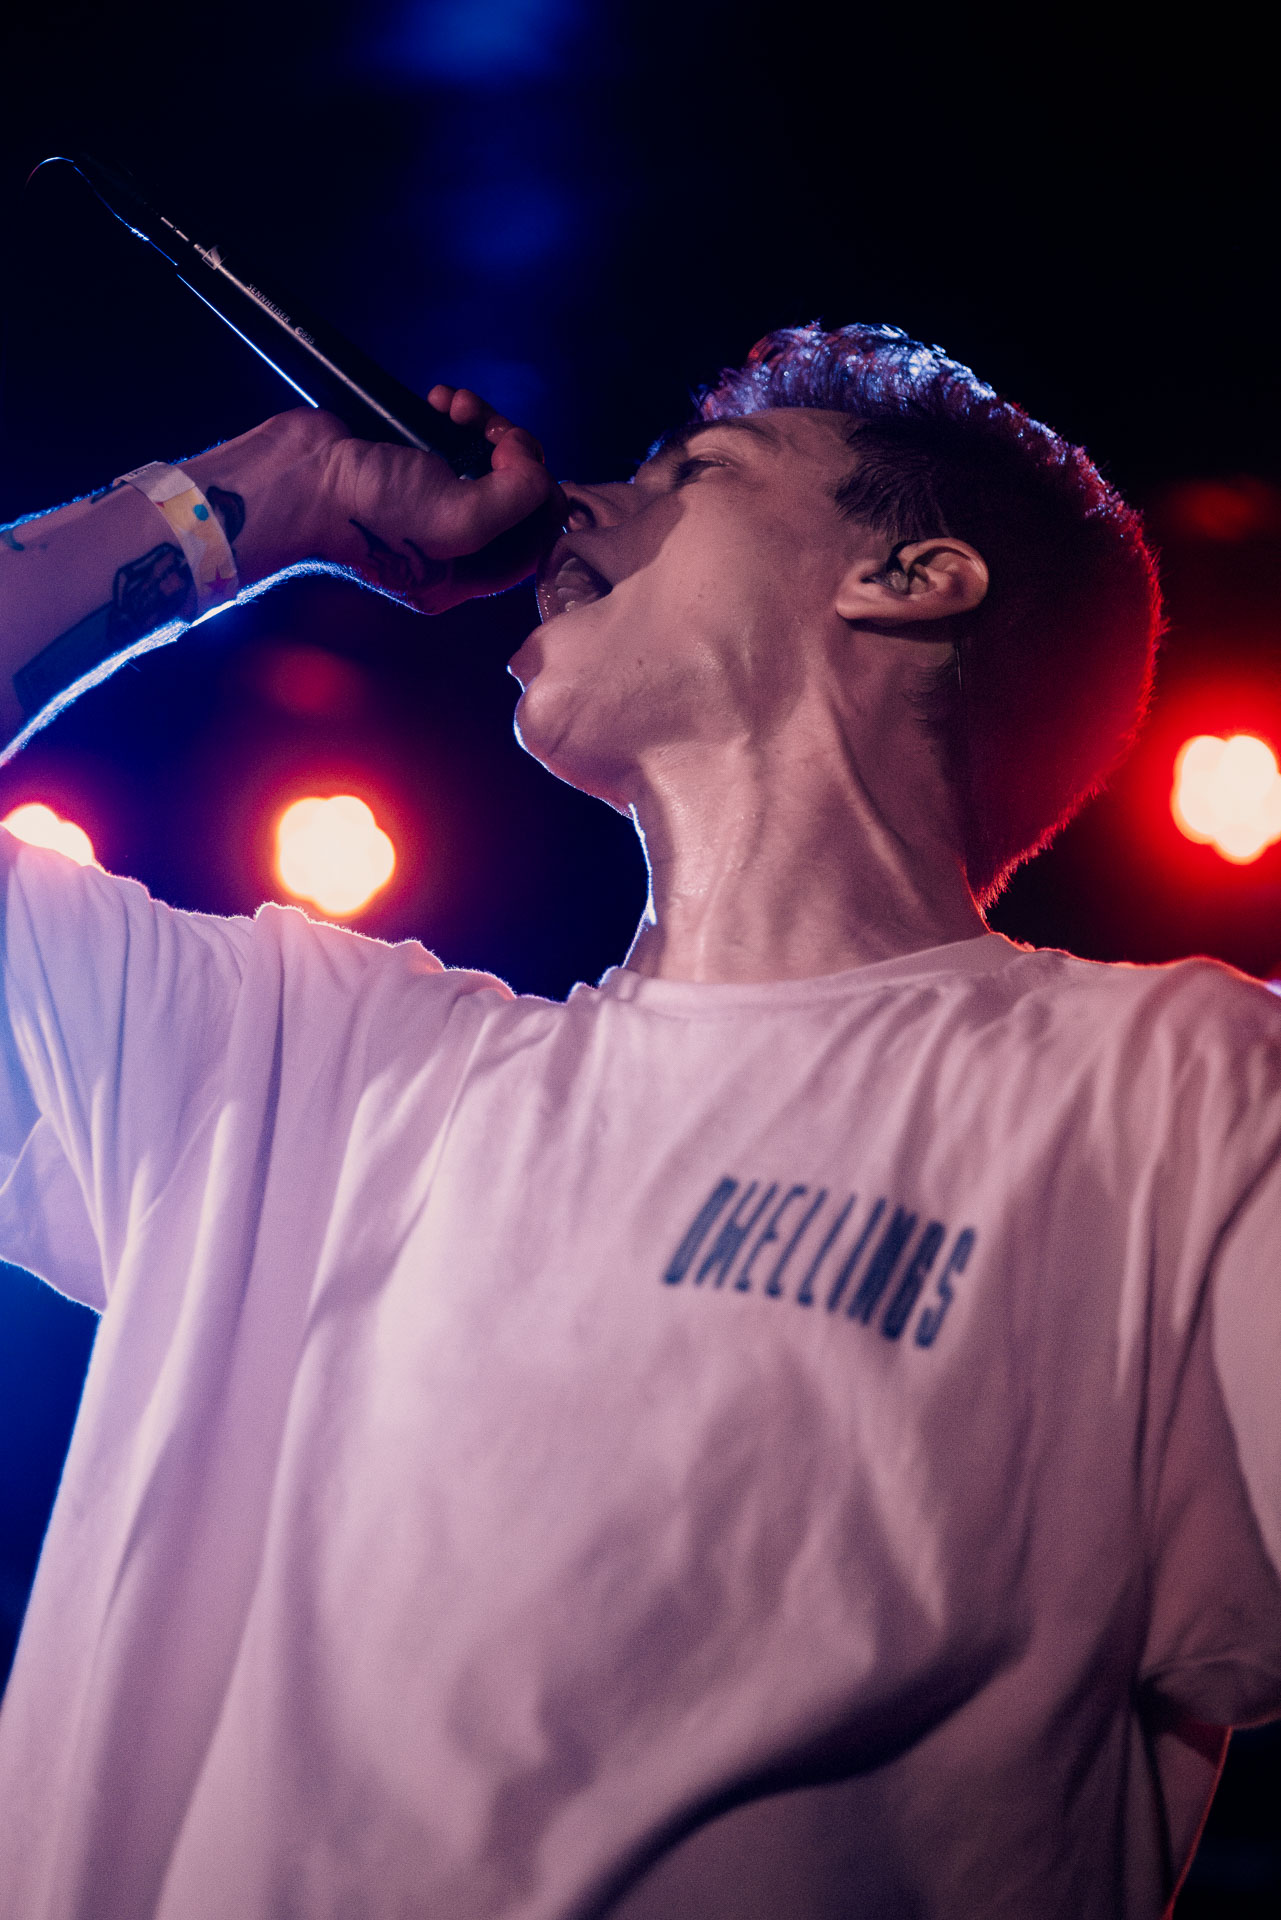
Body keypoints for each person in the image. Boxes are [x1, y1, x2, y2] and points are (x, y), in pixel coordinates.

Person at [0, 323, 1278, 1920]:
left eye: (699, 474)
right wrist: (278, 487)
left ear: (910, 578)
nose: (585, 503)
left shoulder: (1169, 1094)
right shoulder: (300, 1064)